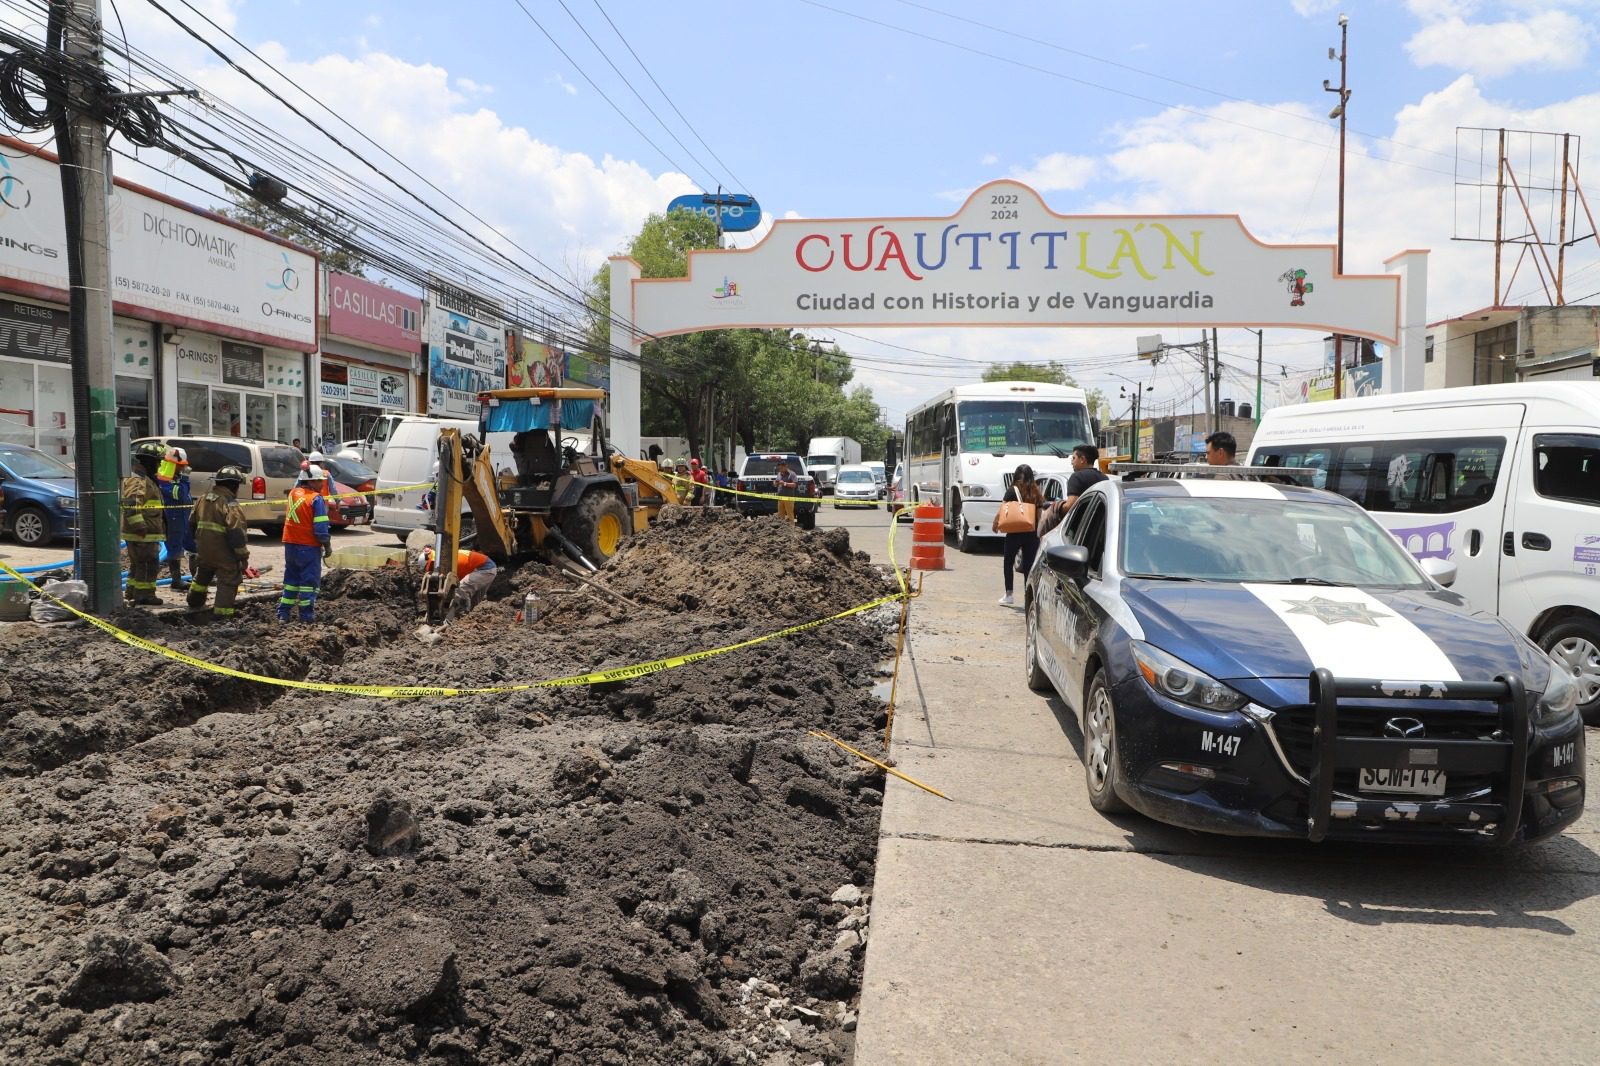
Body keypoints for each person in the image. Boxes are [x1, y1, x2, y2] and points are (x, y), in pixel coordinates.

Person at [187, 464, 255, 618]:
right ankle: (222, 615)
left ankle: (194, 600)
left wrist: (198, 543)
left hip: (204, 551)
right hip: (224, 554)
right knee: (229, 580)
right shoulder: (230, 505)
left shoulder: (202, 499)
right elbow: (236, 534)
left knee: (202, 575)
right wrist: (242, 558)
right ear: (234, 486)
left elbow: (191, 524)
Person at [280, 464, 332, 622]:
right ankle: (306, 616)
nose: (322, 484)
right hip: (308, 547)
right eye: (318, 481)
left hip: (290, 545)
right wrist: (327, 545)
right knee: (309, 582)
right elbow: (321, 529)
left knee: (291, 581)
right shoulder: (316, 499)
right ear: (309, 481)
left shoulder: (293, 493)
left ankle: (283, 613)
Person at [120, 441, 167, 606]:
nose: (160, 465)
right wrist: (140, 526)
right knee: (148, 565)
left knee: (138, 565)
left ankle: (132, 592)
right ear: (149, 461)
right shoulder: (138, 480)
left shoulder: (145, 478)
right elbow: (131, 504)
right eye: (158, 461)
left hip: (145, 532)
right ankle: (145, 595)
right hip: (142, 533)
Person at [991, 463, 1043, 606]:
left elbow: (1003, 509)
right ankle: (1028, 597)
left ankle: (1009, 594)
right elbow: (1039, 515)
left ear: (1016, 477)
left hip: (1014, 532)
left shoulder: (1012, 490)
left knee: (1008, 561)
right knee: (1029, 565)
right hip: (1031, 533)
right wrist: (1038, 531)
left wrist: (995, 523)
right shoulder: (1036, 491)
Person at [1040, 445, 1108, 537]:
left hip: (1078, 532)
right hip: (1100, 531)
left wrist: (1057, 507)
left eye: (1074, 458)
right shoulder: (1104, 478)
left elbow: (1070, 505)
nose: (1072, 462)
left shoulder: (1076, 477)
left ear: (1082, 459)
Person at [156, 446, 198, 591]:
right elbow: (179, 495)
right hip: (173, 519)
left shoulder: (175, 479)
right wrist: (185, 479)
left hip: (183, 517)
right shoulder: (165, 482)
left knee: (193, 547)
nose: (183, 469)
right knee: (175, 547)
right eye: (180, 466)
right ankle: (176, 580)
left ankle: (197, 579)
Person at [422, 547, 497, 622]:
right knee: (474, 601)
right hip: (487, 568)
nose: (431, 570)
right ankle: (467, 619)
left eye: (431, 567)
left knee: (461, 590)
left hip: (485, 568)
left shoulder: (447, 562)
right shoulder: (447, 557)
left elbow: (451, 586)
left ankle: (460, 618)